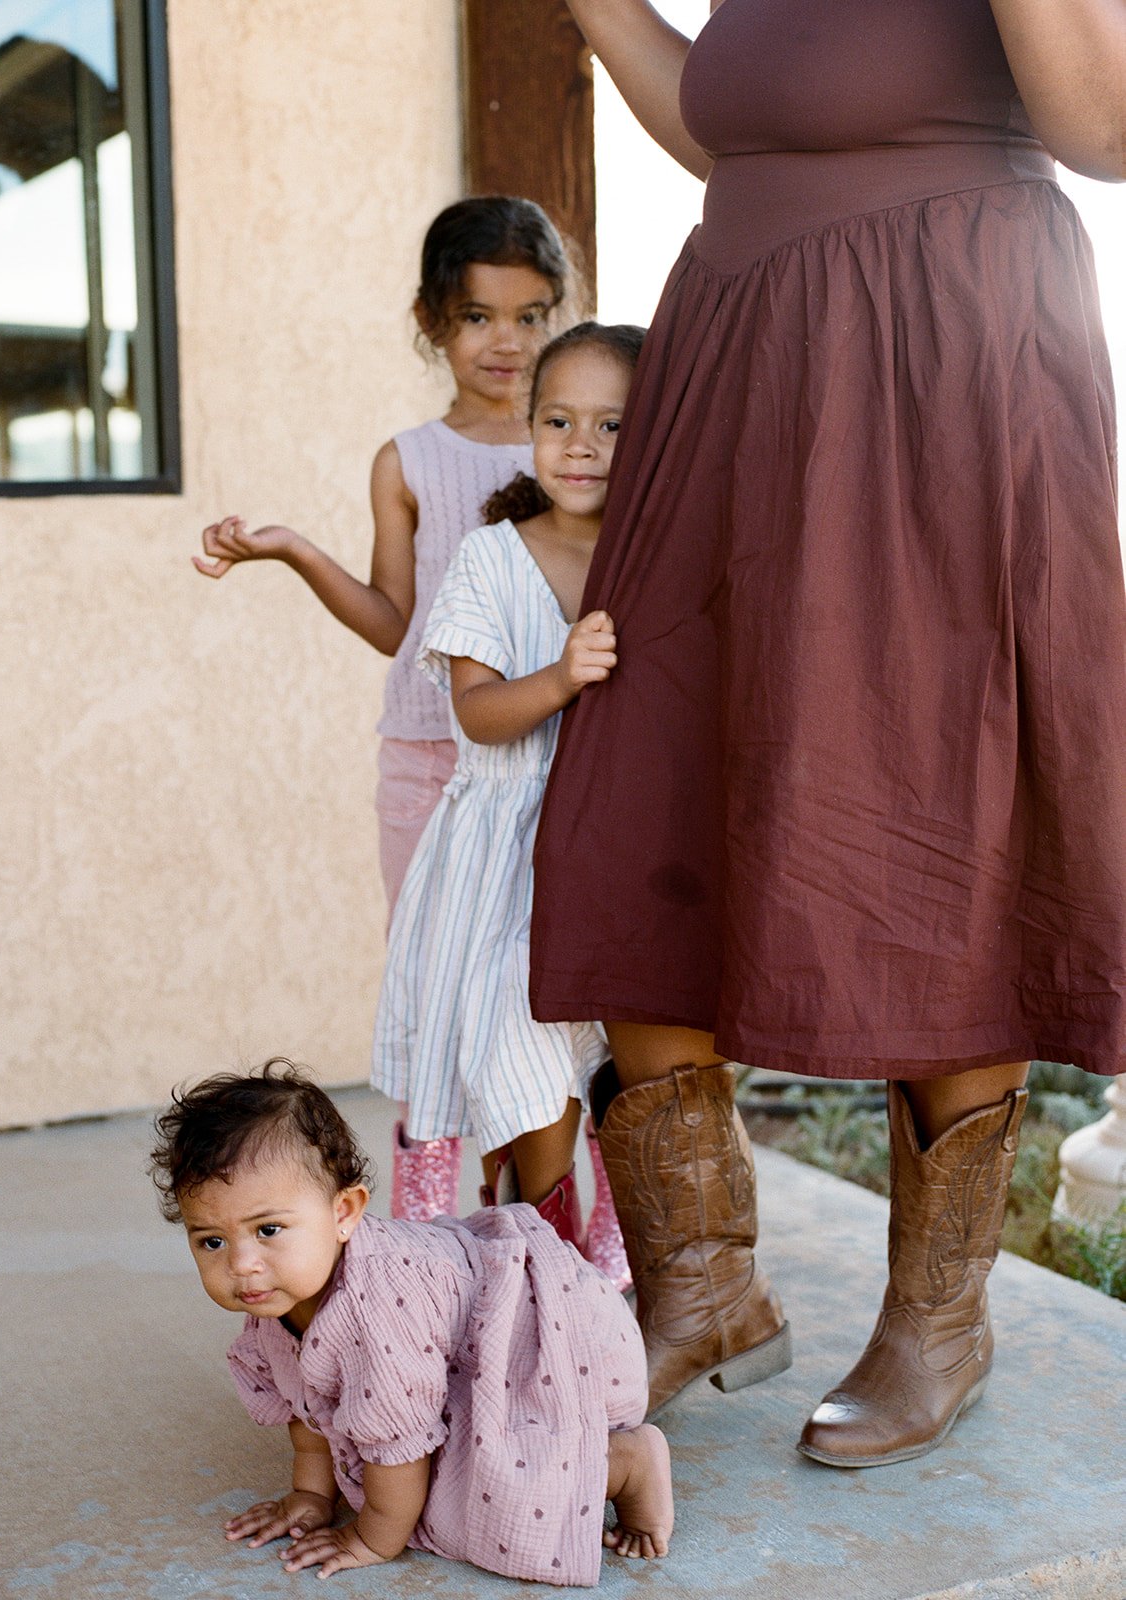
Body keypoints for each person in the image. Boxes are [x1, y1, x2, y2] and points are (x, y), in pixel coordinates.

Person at [530, 0, 1126, 1464]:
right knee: (645, 781)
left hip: (936, 367)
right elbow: (734, 126)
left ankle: (938, 1320)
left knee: (937, 800)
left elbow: (1103, 127)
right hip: (738, 365)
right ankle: (703, 1280)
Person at [192, 197, 566, 1222]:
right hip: (426, 760)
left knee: (542, 995)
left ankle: (550, 1218)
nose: (506, 340)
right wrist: (293, 551)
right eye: (478, 315)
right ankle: (436, 1233)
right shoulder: (407, 460)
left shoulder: (574, 448)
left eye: (530, 315)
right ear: (431, 319)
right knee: (435, 986)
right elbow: (393, 618)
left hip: (547, 754)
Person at [149, 1062, 673, 1584]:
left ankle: (627, 1462)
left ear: (345, 1212)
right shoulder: (283, 1292)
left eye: (267, 1229)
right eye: (211, 1241)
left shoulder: (377, 1312)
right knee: (404, 1462)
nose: (241, 1264)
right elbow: (305, 1409)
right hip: (473, 1345)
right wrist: (312, 1495)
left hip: (558, 1344)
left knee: (485, 1500)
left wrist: (372, 1538)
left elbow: (399, 1449)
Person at [372, 323, 644, 1278]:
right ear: (528, 430)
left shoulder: (657, 557)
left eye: (614, 424)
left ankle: (591, 1274)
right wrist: (564, 675)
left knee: (601, 1064)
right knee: (508, 1054)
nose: (581, 445)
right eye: (559, 420)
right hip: (501, 856)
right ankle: (530, 1255)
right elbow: (480, 715)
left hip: (621, 857)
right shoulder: (491, 555)